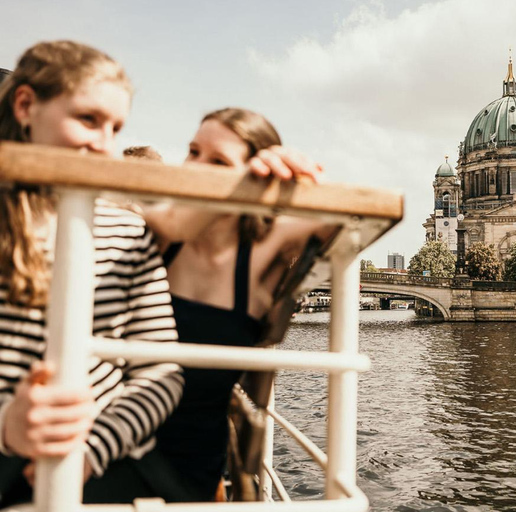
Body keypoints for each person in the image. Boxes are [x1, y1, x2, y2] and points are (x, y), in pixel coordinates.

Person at [0, 41, 185, 504]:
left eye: (116, 127)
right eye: (88, 119)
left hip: (100, 462)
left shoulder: (126, 230)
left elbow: (160, 372)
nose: (105, 145)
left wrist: (90, 449)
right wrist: (10, 424)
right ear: (25, 105)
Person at [135, 108, 325, 502]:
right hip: (112, 446)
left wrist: (301, 177)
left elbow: (342, 222)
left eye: (219, 161)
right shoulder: (157, 232)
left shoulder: (261, 253)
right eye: (192, 152)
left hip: (189, 475)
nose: (195, 167)